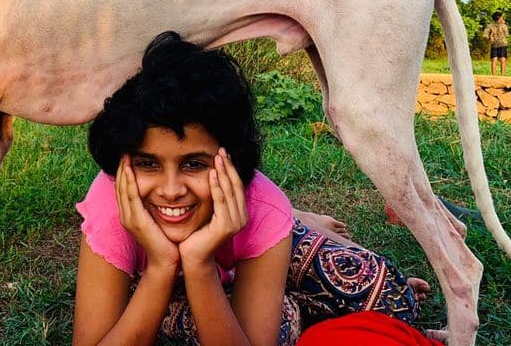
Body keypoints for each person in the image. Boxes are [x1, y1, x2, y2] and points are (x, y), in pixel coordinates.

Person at [73, 31, 429, 346]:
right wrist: (163, 267)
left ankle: (293, 234)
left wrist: (198, 263)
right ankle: (281, 296)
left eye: (194, 164)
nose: (170, 190)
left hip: (254, 239)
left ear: (234, 162)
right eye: (147, 163)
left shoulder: (261, 204)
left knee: (391, 299)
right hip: (174, 283)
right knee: (281, 327)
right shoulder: (111, 202)